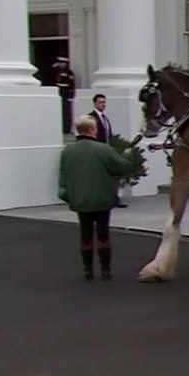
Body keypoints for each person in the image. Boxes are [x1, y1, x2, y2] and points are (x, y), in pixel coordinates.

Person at [59, 115, 134, 280]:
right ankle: (105, 269)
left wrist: (68, 196)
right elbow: (121, 166)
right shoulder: (103, 149)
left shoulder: (67, 151)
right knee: (103, 234)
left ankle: (88, 269)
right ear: (92, 130)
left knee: (85, 234)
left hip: (80, 200)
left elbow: (63, 179)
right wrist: (127, 156)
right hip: (102, 198)